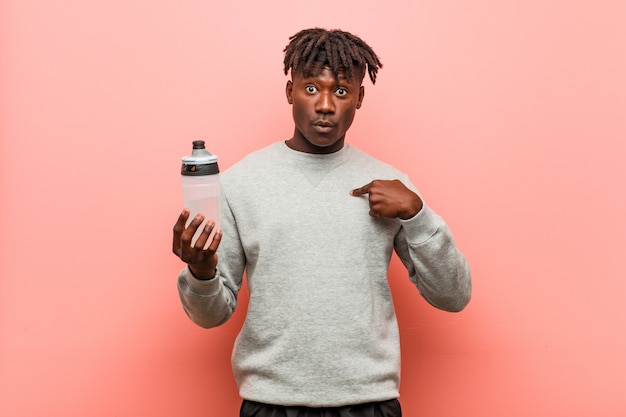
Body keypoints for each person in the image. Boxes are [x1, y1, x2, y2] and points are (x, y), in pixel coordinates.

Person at [172, 28, 471, 417]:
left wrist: (418, 215)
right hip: (271, 402)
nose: (326, 105)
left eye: (342, 91)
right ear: (289, 92)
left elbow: (453, 296)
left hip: (369, 402)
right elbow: (210, 316)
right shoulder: (239, 184)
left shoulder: (391, 185)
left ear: (360, 98)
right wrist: (201, 270)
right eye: (311, 89)